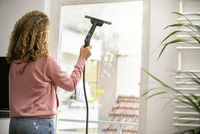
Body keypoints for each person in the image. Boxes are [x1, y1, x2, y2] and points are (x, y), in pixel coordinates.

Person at [7, 10, 92, 134]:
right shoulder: (45, 61)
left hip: (15, 124)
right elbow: (70, 84)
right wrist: (82, 59)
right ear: (41, 35)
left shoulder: (14, 62)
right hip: (38, 125)